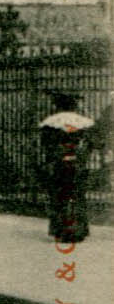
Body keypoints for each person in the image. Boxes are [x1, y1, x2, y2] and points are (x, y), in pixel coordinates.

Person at [40, 92, 96, 244]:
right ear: (75, 105)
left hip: (59, 163)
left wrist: (56, 156)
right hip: (78, 163)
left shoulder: (50, 123)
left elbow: (46, 145)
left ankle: (61, 230)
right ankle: (79, 230)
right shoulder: (84, 123)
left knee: (60, 196)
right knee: (78, 195)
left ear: (57, 106)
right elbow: (91, 144)